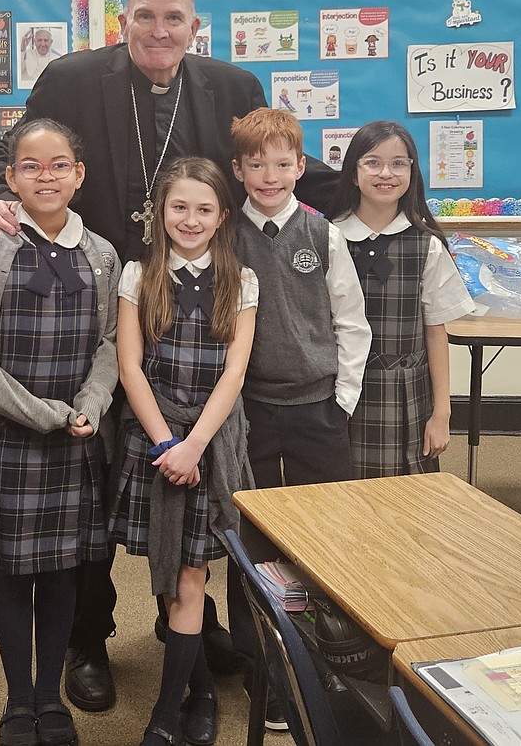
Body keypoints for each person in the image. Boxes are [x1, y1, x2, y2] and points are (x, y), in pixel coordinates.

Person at [0, 0, 338, 710]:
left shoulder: (233, 87)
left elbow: (272, 170)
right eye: (145, 16)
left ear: (194, 26)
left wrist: (374, 194)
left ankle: (190, 615)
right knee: (102, 479)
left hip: (196, 306)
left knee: (195, 481)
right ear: (123, 21)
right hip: (102, 298)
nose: (159, 31)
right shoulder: (72, 77)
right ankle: (89, 636)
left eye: (174, 18)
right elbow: (13, 149)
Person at [0, 119, 120, 746]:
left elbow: (112, 343)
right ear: (8, 178)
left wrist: (88, 404)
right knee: (12, 575)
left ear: (79, 175)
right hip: (7, 442)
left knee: (63, 572)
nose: (47, 176)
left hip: (75, 440)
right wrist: (43, 414)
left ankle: (50, 700)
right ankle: (19, 701)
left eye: (60, 164)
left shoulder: (101, 255)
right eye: (32, 166)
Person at [226, 108, 370, 730]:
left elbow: (351, 320)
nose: (269, 174)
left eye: (282, 163)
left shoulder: (323, 233)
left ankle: (336, 664)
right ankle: (263, 671)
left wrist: (342, 398)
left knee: (330, 537)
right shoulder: (223, 232)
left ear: (301, 167)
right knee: (248, 541)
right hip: (249, 409)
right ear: (238, 170)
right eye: (255, 164)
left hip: (317, 408)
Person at [109, 158, 256, 746]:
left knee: (191, 580)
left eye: (203, 209)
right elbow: (129, 365)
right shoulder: (136, 275)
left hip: (211, 443)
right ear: (159, 213)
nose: (189, 219)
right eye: (178, 207)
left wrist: (195, 445)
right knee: (168, 579)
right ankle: (198, 693)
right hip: (154, 440)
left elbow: (236, 371)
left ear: (222, 215)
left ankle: (164, 719)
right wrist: (167, 442)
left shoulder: (241, 280)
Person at [326, 121, 474, 477]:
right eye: (372, 162)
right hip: (344, 391)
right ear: (353, 172)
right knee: (345, 498)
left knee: (408, 504)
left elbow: (436, 331)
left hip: (409, 395)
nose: (386, 173)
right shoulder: (328, 237)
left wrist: (442, 413)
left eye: (399, 163)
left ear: (412, 171)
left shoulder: (427, 245)